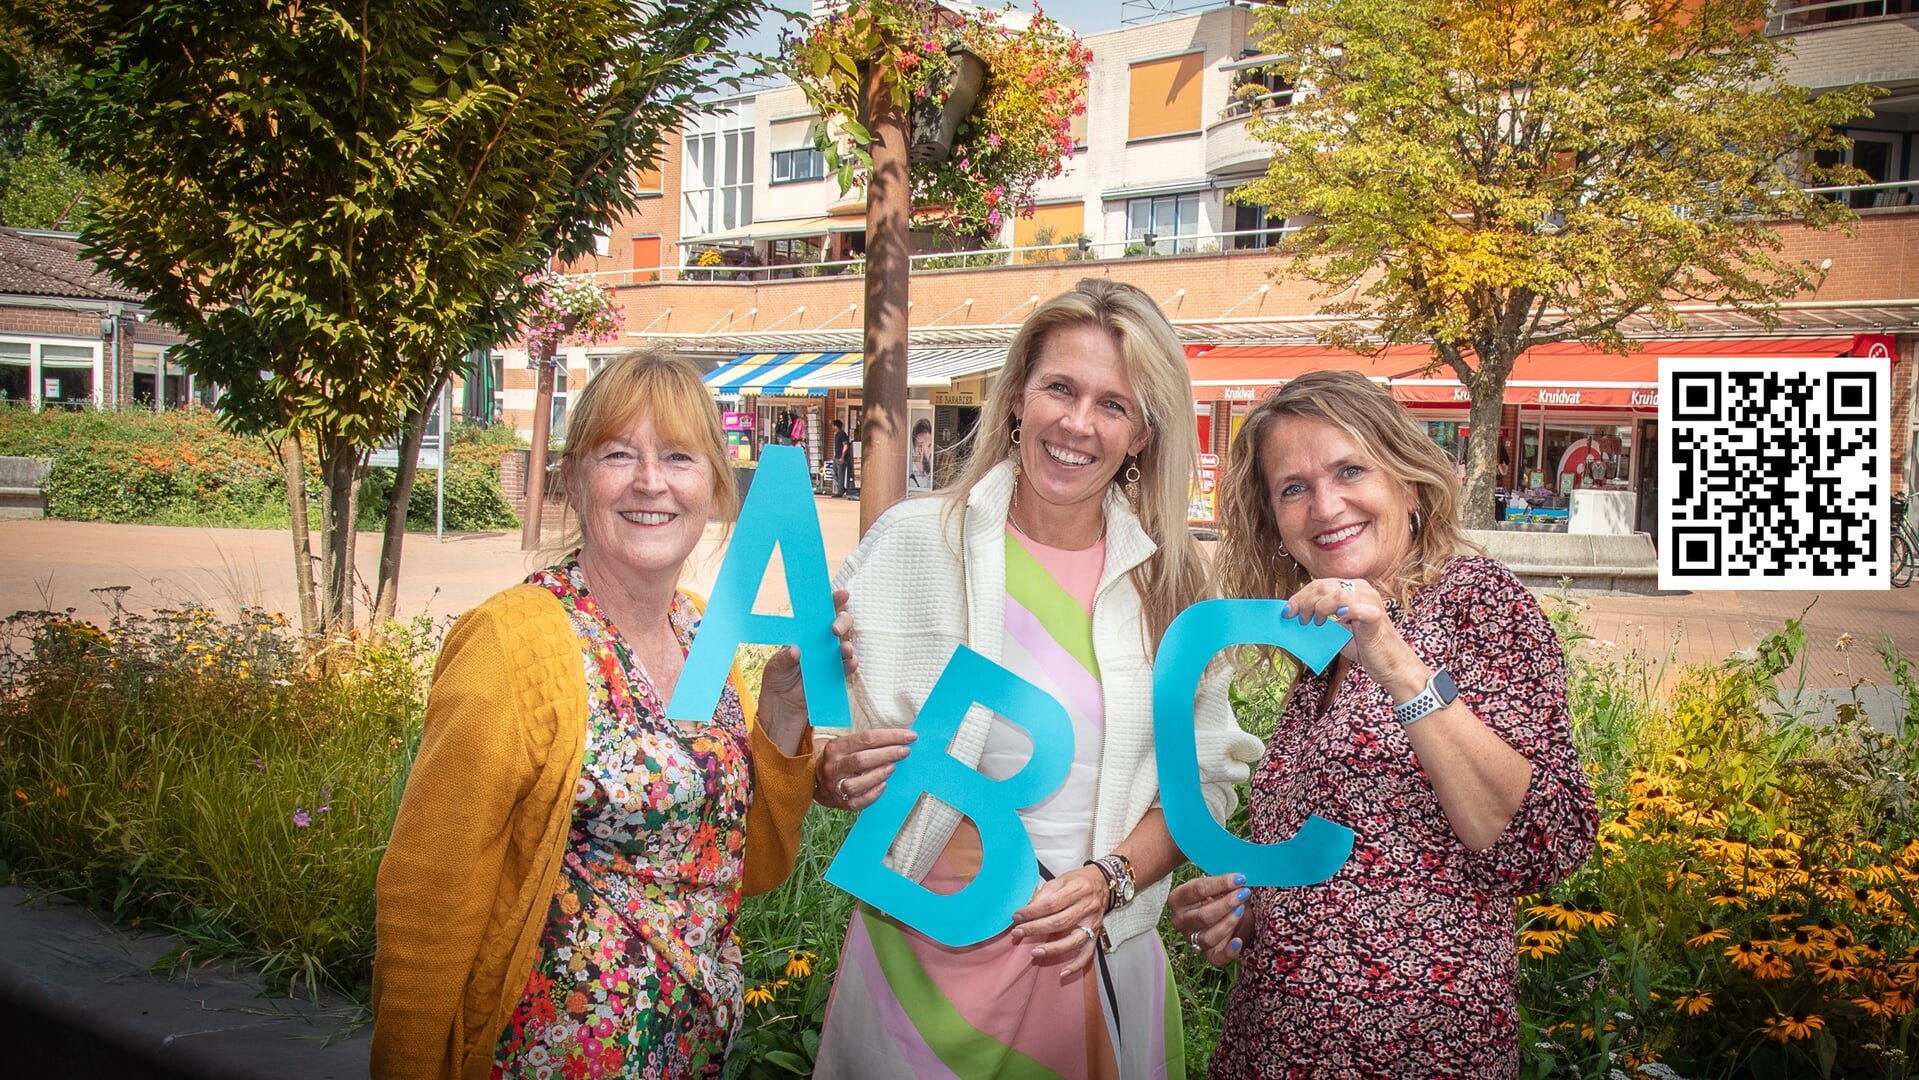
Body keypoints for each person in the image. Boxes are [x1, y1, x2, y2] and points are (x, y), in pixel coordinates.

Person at [810, 279, 1264, 1077]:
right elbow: (823, 743)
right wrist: (827, 770)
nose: (1077, 424)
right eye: (1060, 387)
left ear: (1143, 435)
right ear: (1017, 396)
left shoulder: (1175, 588)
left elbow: (1203, 788)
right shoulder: (911, 545)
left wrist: (1109, 881)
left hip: (1087, 955)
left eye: (1113, 404)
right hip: (915, 959)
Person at [371, 351, 854, 1080]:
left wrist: (783, 712)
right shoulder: (513, 642)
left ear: (716, 487)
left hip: (688, 1053)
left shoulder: (701, 634)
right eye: (619, 453)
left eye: (679, 456)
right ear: (574, 478)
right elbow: (425, 905)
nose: (650, 481)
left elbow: (738, 868)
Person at [1167, 369, 1596, 1077]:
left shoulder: (1474, 604)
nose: (1324, 504)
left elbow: (1539, 845)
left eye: (1348, 469)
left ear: (1408, 483)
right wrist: (1238, 918)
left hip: (1418, 1054)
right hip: (1274, 1050)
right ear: (1275, 522)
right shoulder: (1320, 658)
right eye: (1293, 488)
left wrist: (1392, 658)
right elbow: (1355, 867)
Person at [906, 417, 934, 490]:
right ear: (919, 449)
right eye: (929, 446)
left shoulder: (927, 475)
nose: (931, 452)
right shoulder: (911, 482)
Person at [832, 418, 854, 497]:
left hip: (841, 457)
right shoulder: (836, 434)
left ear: (836, 426)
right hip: (836, 457)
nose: (832, 427)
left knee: (841, 474)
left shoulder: (842, 434)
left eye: (833, 426)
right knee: (833, 472)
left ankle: (840, 491)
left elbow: (845, 445)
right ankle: (841, 488)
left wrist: (842, 457)